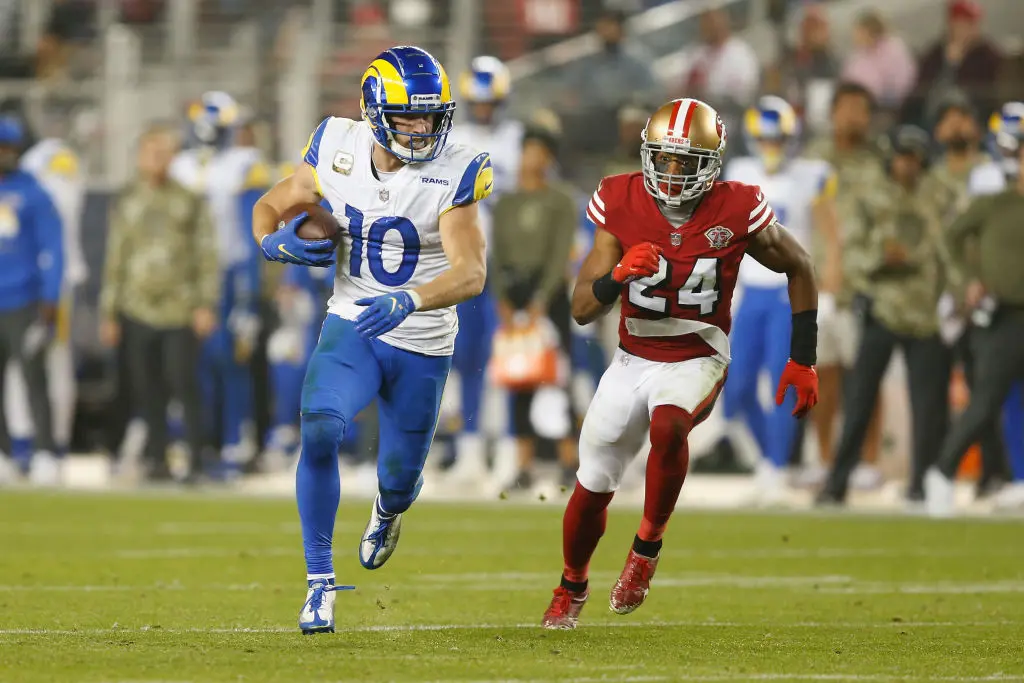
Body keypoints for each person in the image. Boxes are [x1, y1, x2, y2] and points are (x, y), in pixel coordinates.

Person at [540, 98, 818, 629]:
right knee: (593, 482)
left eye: (684, 161)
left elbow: (800, 264)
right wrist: (617, 275)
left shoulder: (737, 206)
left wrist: (802, 358)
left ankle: (646, 548)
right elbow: (580, 308)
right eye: (662, 158)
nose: (670, 172)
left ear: (710, 165)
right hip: (631, 356)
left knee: (669, 424)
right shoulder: (619, 197)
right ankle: (571, 583)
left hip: (699, 353)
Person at [252, 46, 491, 634]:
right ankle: (318, 583)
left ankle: (388, 510)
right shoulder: (337, 145)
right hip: (353, 320)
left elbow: (471, 272)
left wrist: (409, 298)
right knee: (320, 426)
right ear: (374, 110)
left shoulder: (454, 170)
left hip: (422, 338)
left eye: (431, 116)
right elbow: (271, 205)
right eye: (408, 115)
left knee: (400, 477)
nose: (422, 128)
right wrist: (272, 243)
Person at [818, 126, 950, 505]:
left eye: (915, 157)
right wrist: (880, 258)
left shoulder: (937, 194)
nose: (909, 164)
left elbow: (951, 248)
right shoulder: (869, 195)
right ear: (892, 156)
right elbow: (853, 252)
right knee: (858, 400)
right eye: (903, 155)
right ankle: (836, 484)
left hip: (926, 312)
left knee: (929, 407)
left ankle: (922, 485)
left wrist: (950, 296)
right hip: (882, 308)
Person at [722, 96, 838, 504]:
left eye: (779, 138)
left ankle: (775, 467)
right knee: (733, 390)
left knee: (783, 382)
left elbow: (830, 235)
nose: (772, 146)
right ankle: (770, 463)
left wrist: (832, 288)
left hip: (789, 291)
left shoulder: (811, 175)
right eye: (765, 139)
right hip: (750, 291)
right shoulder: (739, 172)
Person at [99, 123, 218, 482]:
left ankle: (196, 459)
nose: (158, 160)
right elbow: (115, 254)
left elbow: (205, 253)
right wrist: (109, 310)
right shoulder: (127, 198)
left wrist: (205, 303)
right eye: (152, 152)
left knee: (183, 383)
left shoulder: (188, 199)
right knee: (146, 388)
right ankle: (157, 460)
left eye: (165, 153)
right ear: (140, 155)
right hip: (136, 306)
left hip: (179, 307)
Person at [925, 110, 1024, 516]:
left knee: (1015, 402)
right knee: (987, 400)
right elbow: (949, 238)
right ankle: (942, 473)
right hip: (1001, 314)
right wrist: (966, 280)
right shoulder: (994, 203)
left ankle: (1019, 481)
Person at [171, 91, 270, 476]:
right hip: (182, 278)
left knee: (229, 358)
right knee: (188, 365)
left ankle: (233, 441)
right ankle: (199, 443)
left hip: (225, 275)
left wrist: (247, 293)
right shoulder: (179, 165)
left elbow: (252, 234)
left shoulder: (244, 164)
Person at [443, 55, 524, 484]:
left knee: (509, 361)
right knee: (465, 359)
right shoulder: (450, 138)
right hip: (463, 259)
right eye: (477, 103)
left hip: (505, 265)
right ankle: (469, 452)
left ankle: (509, 451)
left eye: (489, 103)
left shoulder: (517, 138)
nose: (483, 110)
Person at [803, 82, 887, 486]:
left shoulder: (880, 161)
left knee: (867, 377)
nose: (856, 116)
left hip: (866, 282)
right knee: (825, 375)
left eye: (862, 109)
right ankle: (825, 458)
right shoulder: (812, 159)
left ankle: (869, 463)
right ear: (833, 112)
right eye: (848, 107)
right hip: (820, 282)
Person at [489, 127, 578, 490]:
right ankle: (523, 464)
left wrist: (543, 297)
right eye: (528, 151)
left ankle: (569, 460)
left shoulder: (561, 201)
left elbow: (561, 254)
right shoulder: (506, 202)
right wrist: (503, 299)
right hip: (515, 293)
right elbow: (495, 253)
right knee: (518, 378)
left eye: (540, 152)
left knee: (556, 378)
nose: (532, 159)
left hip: (550, 296)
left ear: (550, 159)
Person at [0, 100, 84, 484]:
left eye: (7, 148)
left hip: (23, 300)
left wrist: (50, 298)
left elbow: (54, 247)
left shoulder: (33, 192)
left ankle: (47, 451)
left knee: (34, 377)